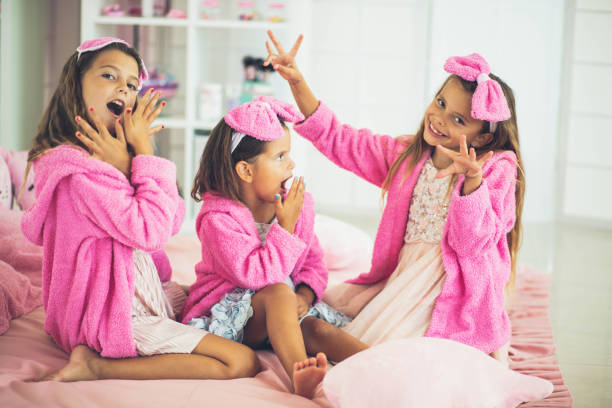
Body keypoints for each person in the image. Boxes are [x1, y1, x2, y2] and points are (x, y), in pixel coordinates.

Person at [264, 31, 525, 366]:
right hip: (405, 278)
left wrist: (472, 181)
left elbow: (472, 243)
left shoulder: (496, 168)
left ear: (484, 136)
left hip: (455, 290)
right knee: (317, 321)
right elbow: (340, 140)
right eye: (440, 103)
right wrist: (298, 83)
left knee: (405, 356)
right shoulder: (408, 155)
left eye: (458, 120)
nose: (440, 119)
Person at [21, 37, 260, 382]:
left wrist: (131, 162)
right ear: (76, 84)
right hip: (111, 315)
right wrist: (144, 152)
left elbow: (173, 217)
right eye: (109, 76)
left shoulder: (108, 161)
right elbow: (152, 231)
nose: (124, 88)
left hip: (138, 294)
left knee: (228, 301)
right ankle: (95, 366)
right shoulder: (78, 172)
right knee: (241, 362)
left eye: (132, 84)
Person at [181, 96, 369, 399]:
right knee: (279, 293)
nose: (291, 164)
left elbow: (313, 265)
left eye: (289, 154)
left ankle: (380, 362)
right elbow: (255, 276)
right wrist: (286, 228)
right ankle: (299, 376)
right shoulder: (218, 219)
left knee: (318, 330)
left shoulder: (300, 207)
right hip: (233, 318)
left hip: (280, 315)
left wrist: (304, 296)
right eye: (280, 156)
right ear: (245, 171)